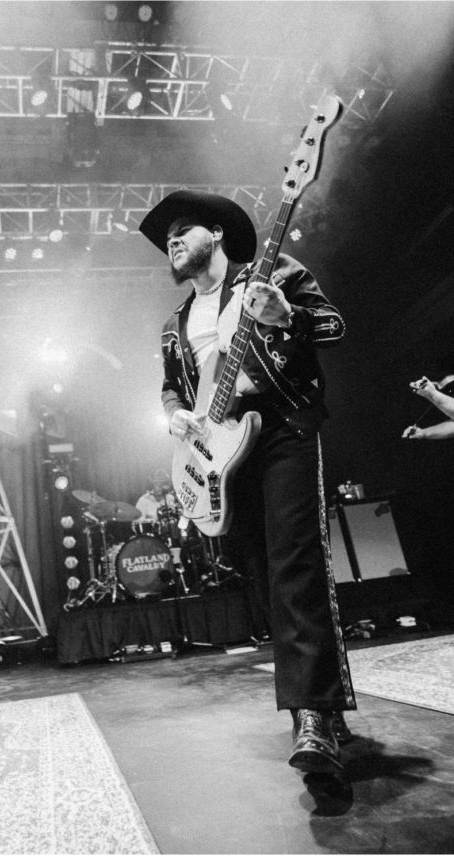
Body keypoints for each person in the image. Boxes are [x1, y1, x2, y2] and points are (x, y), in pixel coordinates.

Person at [139, 190, 355, 776]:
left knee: (296, 564)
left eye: (182, 229)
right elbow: (171, 388)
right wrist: (174, 415)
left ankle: (311, 716)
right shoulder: (175, 323)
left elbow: (333, 327)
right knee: (262, 572)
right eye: (166, 238)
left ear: (218, 233)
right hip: (218, 459)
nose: (172, 241)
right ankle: (330, 703)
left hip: (281, 430)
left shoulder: (272, 273)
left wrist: (287, 317)